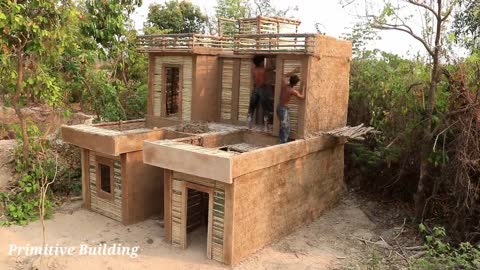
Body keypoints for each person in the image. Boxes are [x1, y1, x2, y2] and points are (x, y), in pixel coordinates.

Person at [277, 70, 304, 143]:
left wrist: (294, 71)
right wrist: (304, 87)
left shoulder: (284, 85)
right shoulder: (292, 91)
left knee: (286, 126)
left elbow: (284, 76)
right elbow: (302, 97)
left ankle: (284, 139)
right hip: (283, 109)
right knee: (285, 126)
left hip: (280, 108)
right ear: (295, 83)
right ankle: (282, 142)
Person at [247, 55, 273, 129]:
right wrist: (270, 58)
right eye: (263, 61)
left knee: (252, 107)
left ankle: (249, 125)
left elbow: (253, 79)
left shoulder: (253, 70)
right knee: (266, 108)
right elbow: (273, 67)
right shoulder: (264, 69)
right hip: (262, 88)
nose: (263, 62)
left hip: (255, 88)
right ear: (261, 62)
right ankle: (266, 126)